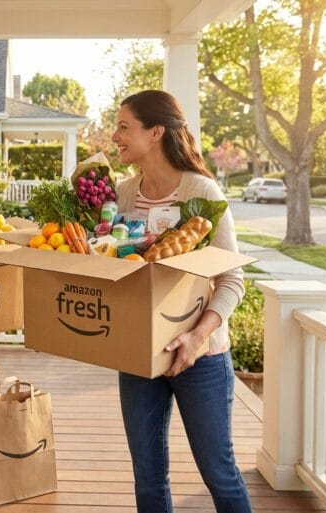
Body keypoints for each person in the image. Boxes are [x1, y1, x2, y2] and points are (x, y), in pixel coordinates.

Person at [110, 90, 252, 513]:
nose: (114, 135)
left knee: (219, 474)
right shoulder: (124, 193)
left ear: (155, 132)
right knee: (148, 476)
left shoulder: (202, 191)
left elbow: (232, 278)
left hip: (201, 357)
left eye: (123, 126)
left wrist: (198, 337)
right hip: (140, 352)